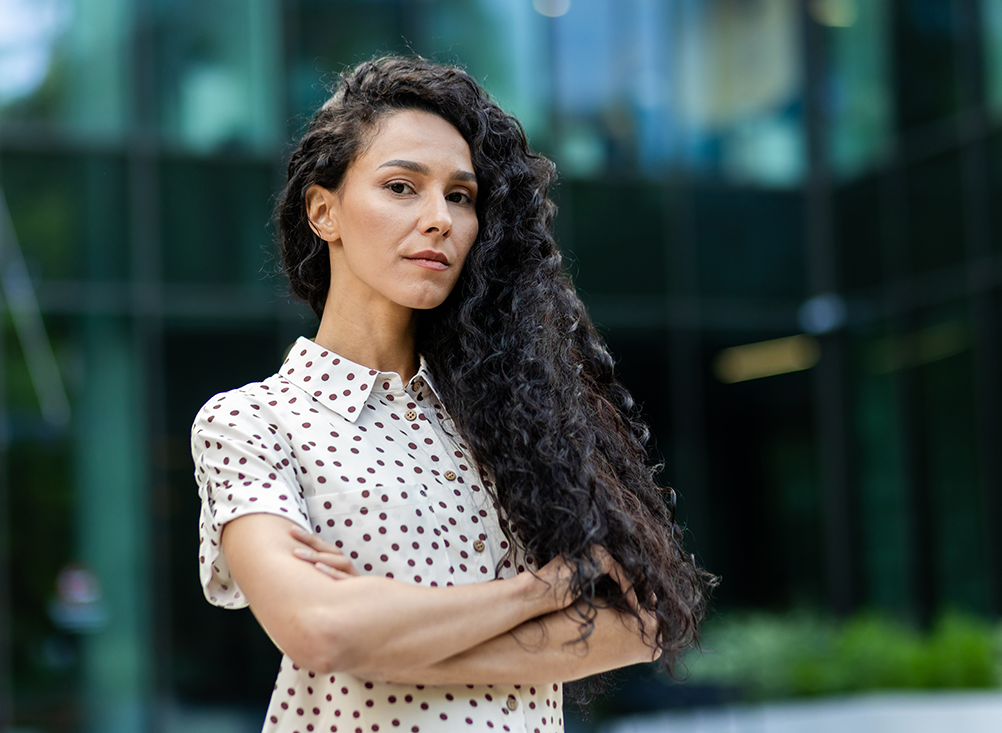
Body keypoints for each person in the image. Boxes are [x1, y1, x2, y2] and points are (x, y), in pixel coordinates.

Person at [191, 55, 714, 733]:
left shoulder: (511, 417)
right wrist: (545, 589)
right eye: (402, 186)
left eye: (460, 195)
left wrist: (384, 635)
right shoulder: (251, 422)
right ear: (325, 211)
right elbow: (319, 628)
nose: (438, 218)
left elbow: (640, 619)